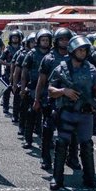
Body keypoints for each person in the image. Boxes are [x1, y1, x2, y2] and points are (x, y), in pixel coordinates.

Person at [48, 36, 96, 190]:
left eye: (85, 50)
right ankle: (57, 178)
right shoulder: (61, 68)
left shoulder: (92, 69)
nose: (83, 53)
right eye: (80, 50)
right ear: (72, 51)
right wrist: (64, 91)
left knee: (86, 144)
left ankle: (90, 177)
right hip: (67, 112)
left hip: (85, 114)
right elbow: (51, 90)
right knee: (61, 143)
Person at [35, 27, 74, 170]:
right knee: (48, 130)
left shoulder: (75, 57)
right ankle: (45, 158)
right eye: (61, 39)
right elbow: (42, 80)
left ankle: (72, 157)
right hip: (51, 99)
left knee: (72, 131)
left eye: (67, 39)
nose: (64, 42)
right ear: (56, 41)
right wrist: (37, 99)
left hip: (71, 100)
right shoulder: (49, 58)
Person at [21, 29, 52, 150]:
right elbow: (24, 73)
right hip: (34, 87)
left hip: (49, 88)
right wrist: (23, 89)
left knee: (48, 117)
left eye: (47, 40)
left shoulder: (52, 54)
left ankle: (48, 140)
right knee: (31, 115)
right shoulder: (31, 54)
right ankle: (28, 139)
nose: (45, 42)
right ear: (38, 41)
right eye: (43, 40)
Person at [0, 30, 22, 115]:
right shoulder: (7, 49)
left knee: (17, 92)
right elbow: (1, 60)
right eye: (13, 37)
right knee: (7, 91)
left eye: (16, 37)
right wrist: (9, 64)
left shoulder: (21, 48)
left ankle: (17, 110)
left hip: (19, 73)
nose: (15, 39)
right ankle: (5, 107)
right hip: (8, 73)